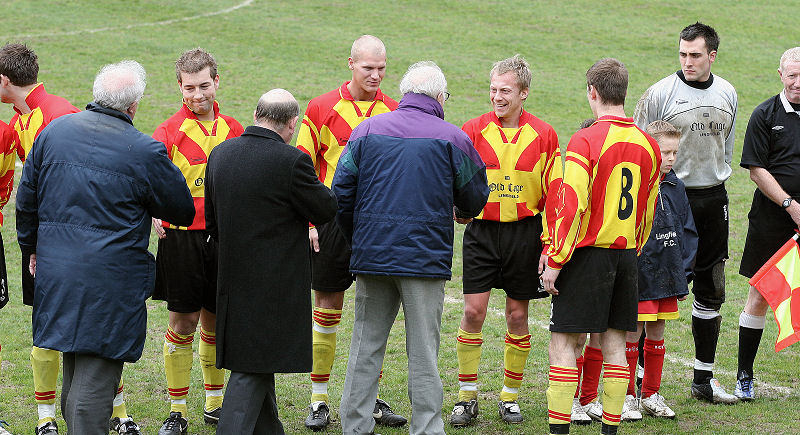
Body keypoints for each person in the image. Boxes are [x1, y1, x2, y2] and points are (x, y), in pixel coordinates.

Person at [15, 60, 195, 435]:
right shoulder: (144, 150)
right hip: (110, 282)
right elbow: (180, 206)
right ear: (134, 105)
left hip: (57, 272)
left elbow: (26, 199)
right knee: (93, 384)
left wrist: (31, 248)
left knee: (75, 367)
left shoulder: (53, 133)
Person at [334, 61, 489, 435]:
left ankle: (354, 426)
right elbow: (475, 193)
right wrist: (462, 211)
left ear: (404, 93)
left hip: (373, 256)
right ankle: (426, 427)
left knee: (364, 347)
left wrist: (360, 239)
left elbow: (341, 192)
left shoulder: (366, 130)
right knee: (423, 351)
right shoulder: (453, 137)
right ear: (438, 97)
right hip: (425, 258)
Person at [206, 89, 337, 435]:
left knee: (255, 361)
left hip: (231, 281)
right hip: (274, 288)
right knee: (252, 367)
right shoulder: (292, 161)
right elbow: (325, 209)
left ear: (256, 114)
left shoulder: (220, 154)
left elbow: (213, 223)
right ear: (292, 123)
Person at [542, 58, 661, 435]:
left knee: (562, 346)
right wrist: (632, 252)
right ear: (623, 93)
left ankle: (559, 430)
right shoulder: (649, 145)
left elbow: (571, 203)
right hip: (625, 257)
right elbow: (648, 211)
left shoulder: (586, 139)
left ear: (592, 92)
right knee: (613, 347)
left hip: (585, 256)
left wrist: (556, 259)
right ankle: (610, 430)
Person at [295, 34, 406, 431]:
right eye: (368, 68)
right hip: (331, 221)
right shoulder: (322, 108)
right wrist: (310, 222)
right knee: (327, 309)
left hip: (378, 224)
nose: (376, 75)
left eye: (381, 68)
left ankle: (368, 399)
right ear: (351, 64)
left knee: (375, 314)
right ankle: (319, 401)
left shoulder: (394, 110)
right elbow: (304, 170)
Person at [451, 54, 559, 426]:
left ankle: (509, 397)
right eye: (493, 89)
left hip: (524, 235)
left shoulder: (544, 135)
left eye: (505, 91)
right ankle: (466, 397)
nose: (497, 97)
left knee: (517, 315)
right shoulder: (472, 130)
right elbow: (456, 181)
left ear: (524, 93)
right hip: (481, 233)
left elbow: (554, 196)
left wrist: (549, 247)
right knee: (472, 312)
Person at [634, 22, 738, 403]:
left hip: (713, 200)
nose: (688, 61)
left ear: (712, 55)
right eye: (682, 54)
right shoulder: (660, 93)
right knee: (652, 286)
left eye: (695, 55)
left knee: (711, 287)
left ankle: (704, 379)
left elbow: (725, 149)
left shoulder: (727, 92)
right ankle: (641, 379)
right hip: (668, 200)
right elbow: (639, 147)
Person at [150, 48, 244, 435]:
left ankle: (214, 402)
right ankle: (176, 409)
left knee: (216, 321)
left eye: (204, 85)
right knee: (183, 321)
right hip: (181, 239)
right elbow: (149, 182)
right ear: (179, 87)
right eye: (189, 87)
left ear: (216, 82)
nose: (197, 94)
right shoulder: (167, 132)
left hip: (224, 238)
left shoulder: (235, 129)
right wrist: (154, 210)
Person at [0, 43, 85, 435]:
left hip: (70, 242)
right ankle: (45, 418)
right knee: (45, 325)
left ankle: (116, 413)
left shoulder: (59, 114)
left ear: (5, 80)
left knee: (84, 325)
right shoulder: (22, 121)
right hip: (43, 240)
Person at [735, 47, 800, 401]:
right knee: (760, 294)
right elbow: (757, 171)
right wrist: (791, 205)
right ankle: (744, 375)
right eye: (792, 75)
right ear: (780, 75)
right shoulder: (765, 114)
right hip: (773, 219)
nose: (798, 83)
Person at [623, 120, 698, 419]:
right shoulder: (636, 184)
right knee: (633, 332)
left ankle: (651, 394)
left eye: (674, 152)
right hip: (639, 274)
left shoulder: (676, 185)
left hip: (668, 275)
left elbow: (687, 230)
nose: (669, 158)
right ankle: (628, 395)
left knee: (657, 331)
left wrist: (684, 274)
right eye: (663, 151)